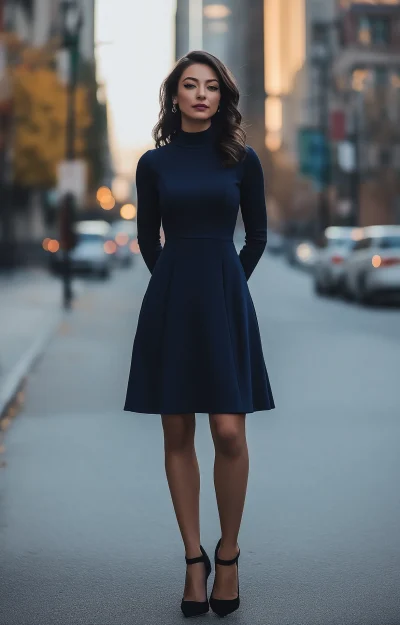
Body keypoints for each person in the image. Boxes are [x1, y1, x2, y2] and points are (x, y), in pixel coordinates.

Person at [124, 50, 275, 618]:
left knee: (230, 433)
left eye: (211, 86)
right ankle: (193, 559)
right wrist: (172, 288)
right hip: (172, 300)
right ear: (176, 96)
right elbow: (146, 240)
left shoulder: (243, 159)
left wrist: (229, 284)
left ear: (222, 97)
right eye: (190, 85)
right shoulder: (153, 164)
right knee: (177, 433)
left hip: (224, 296)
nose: (201, 94)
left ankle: (228, 553)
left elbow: (256, 237)